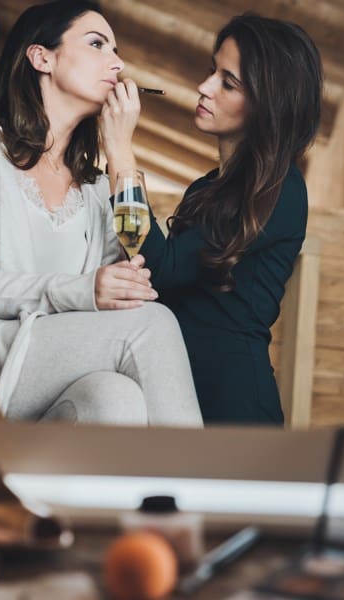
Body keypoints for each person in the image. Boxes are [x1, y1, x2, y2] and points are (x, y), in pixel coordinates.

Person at [0, 0, 202, 427]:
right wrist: (77, 290)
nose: (117, 63)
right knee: (151, 325)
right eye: (98, 43)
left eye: (117, 52)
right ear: (41, 56)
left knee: (115, 399)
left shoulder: (96, 188)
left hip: (51, 373)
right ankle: (200, 492)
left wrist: (121, 151)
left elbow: (139, 252)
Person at [136, 14, 323, 424]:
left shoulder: (282, 189)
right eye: (211, 71)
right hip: (172, 389)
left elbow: (160, 269)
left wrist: (119, 157)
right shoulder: (205, 189)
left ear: (268, 103)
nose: (203, 88)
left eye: (229, 82)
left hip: (234, 408)